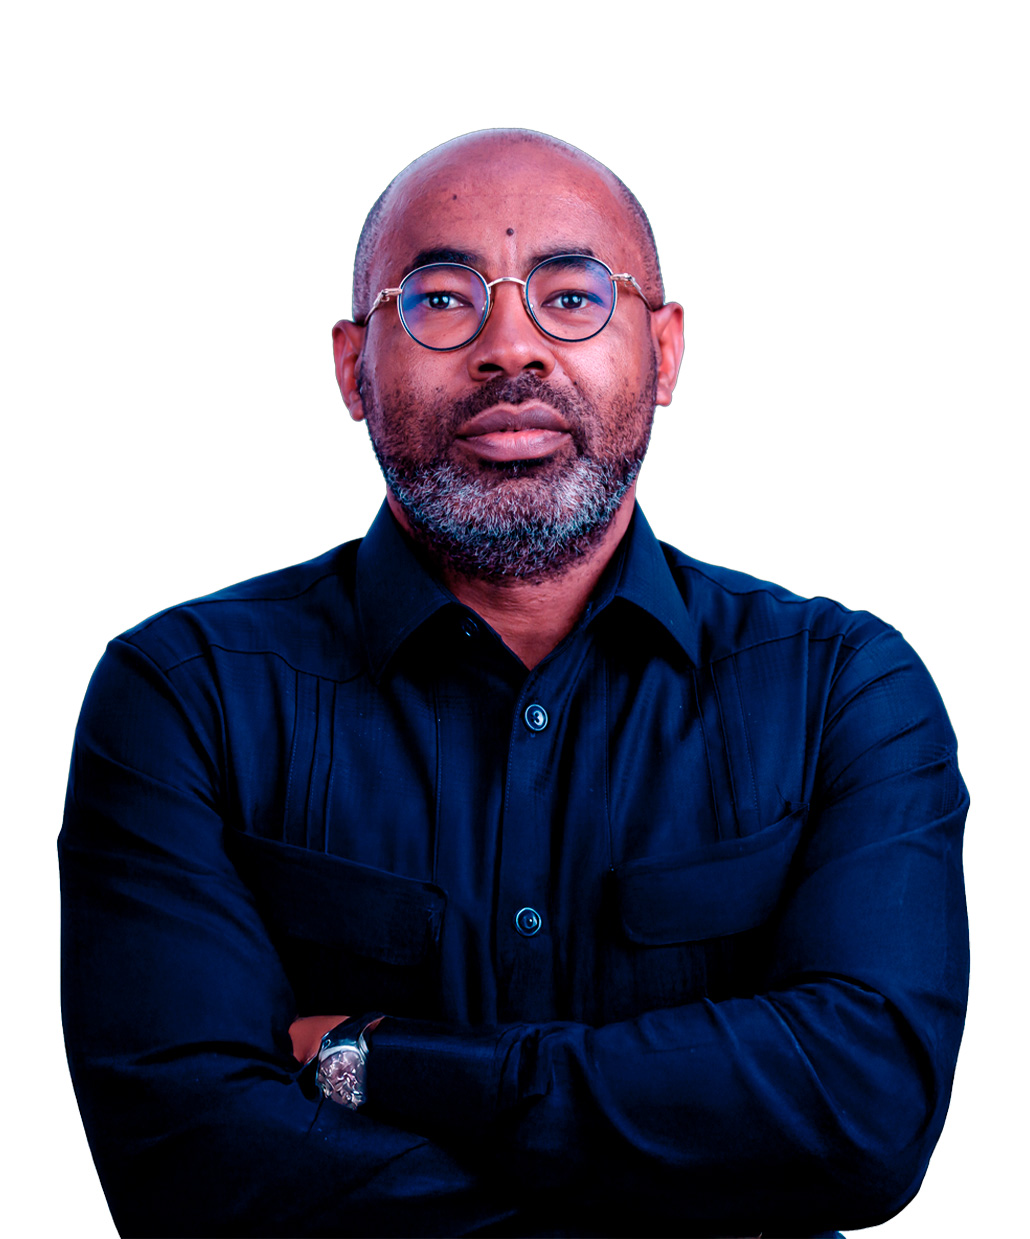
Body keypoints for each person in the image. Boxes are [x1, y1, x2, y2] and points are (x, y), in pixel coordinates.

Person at [59, 129, 968, 1239]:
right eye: (441, 301)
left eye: (572, 297)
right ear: (353, 368)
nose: (510, 348)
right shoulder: (185, 697)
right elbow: (191, 1172)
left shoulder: (841, 692)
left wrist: (380, 1062)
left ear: (664, 351)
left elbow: (864, 1112)